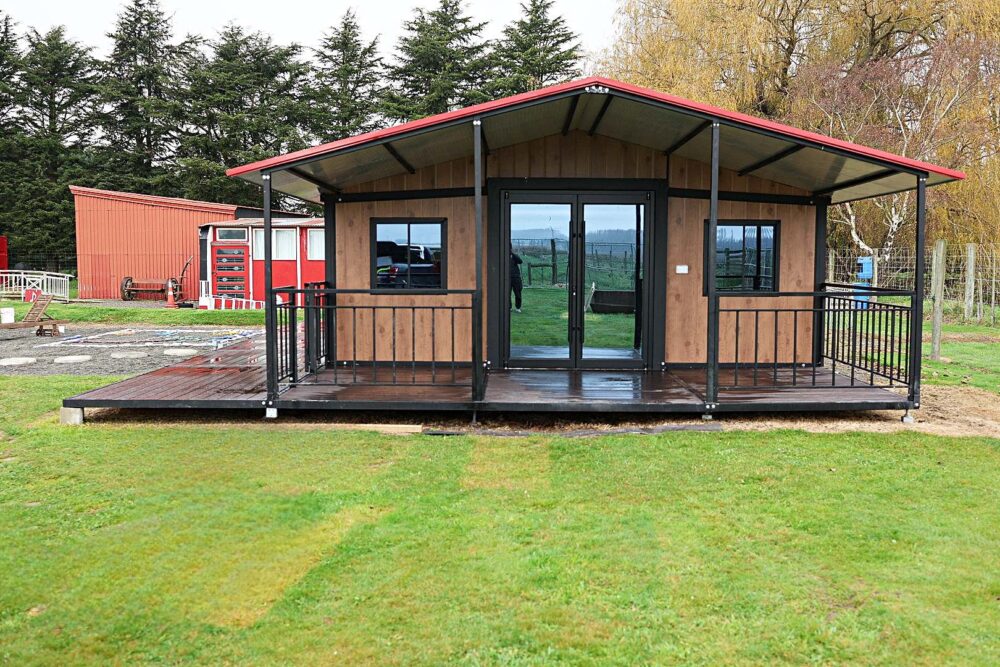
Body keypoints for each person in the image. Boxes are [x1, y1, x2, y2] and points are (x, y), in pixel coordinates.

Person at [510, 245, 523, 312]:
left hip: (516, 278)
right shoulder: (503, 256)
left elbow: (520, 261)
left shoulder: (514, 257)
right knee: (507, 293)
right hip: (507, 278)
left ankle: (518, 307)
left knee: (518, 293)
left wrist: (512, 253)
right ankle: (509, 307)